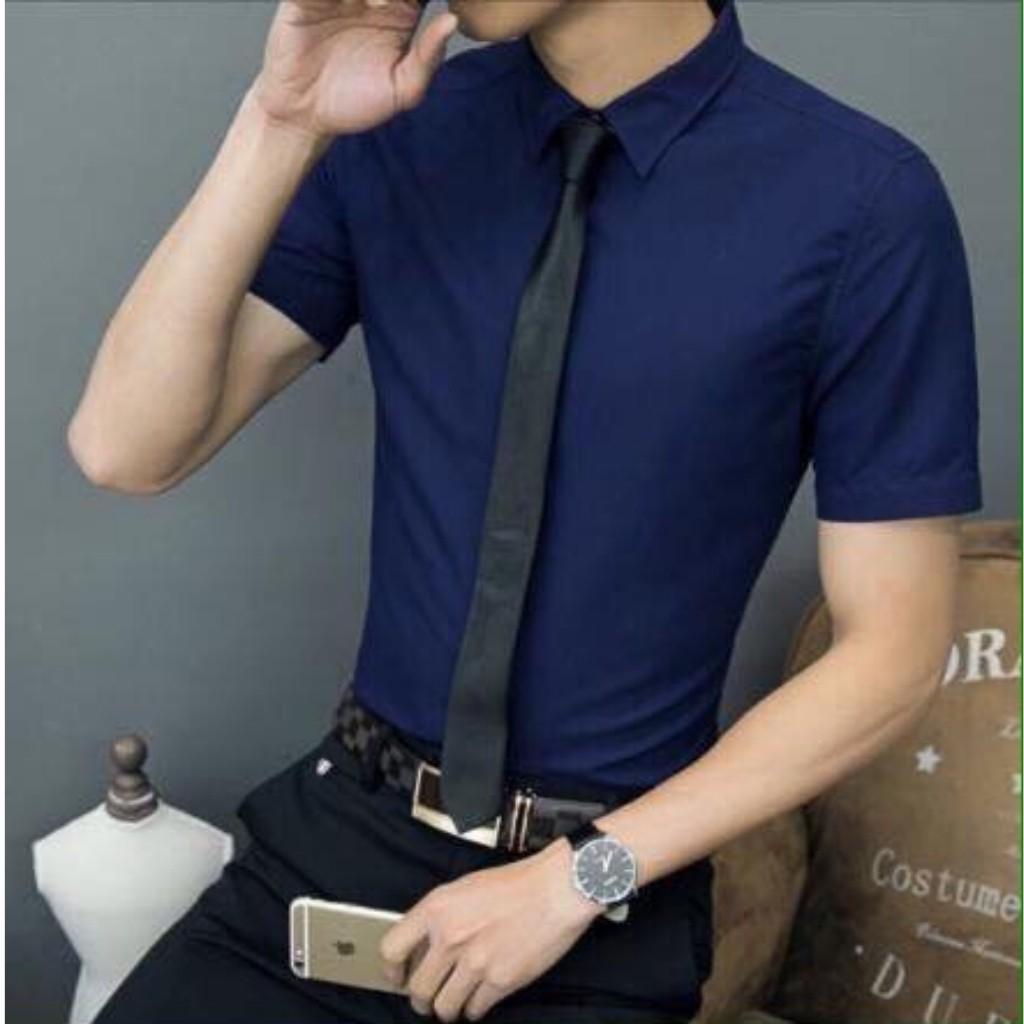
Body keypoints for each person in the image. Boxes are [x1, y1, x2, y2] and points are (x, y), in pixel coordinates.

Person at [70, 0, 984, 1021]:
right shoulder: (401, 132)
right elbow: (125, 447)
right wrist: (280, 122)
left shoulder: (861, 202)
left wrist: (576, 880)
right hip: (340, 836)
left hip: (605, 896)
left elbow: (893, 651)